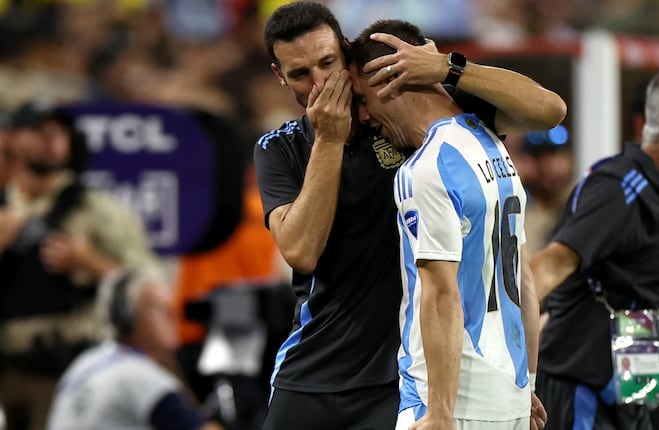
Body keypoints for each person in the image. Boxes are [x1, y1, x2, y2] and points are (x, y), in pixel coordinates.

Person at [254, 2, 566, 429]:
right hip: (314, 370)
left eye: (328, 63)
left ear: (347, 53)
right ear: (279, 76)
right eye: (300, 74)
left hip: (401, 378)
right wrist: (329, 138)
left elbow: (548, 111)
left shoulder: (410, 107)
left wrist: (446, 67)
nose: (320, 82)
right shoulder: (280, 148)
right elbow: (302, 252)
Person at [348, 19, 564, 429]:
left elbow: (441, 294)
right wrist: (527, 385)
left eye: (361, 98)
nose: (362, 116)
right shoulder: (494, 146)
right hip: (509, 393)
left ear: (388, 82)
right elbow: (525, 283)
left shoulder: (426, 168)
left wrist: (440, 412)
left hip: (450, 400)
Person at [529, 64, 659, 429]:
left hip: (629, 393)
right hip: (582, 393)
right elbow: (544, 269)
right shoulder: (620, 188)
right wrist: (517, 371)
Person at [0, 100, 159, 430]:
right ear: (12, 139)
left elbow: (149, 284)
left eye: (59, 133)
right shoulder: (5, 208)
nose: (51, 140)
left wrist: (91, 263)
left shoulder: (93, 208)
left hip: (63, 366)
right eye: (38, 131)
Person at [45, 269, 224, 430]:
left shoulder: (84, 362)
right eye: (161, 309)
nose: (173, 317)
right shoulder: (138, 375)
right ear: (128, 318)